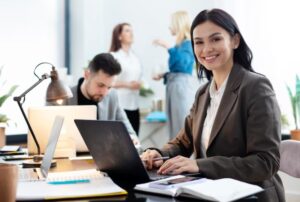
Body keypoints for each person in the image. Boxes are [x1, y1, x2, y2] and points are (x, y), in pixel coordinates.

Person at [141, 9, 284, 201]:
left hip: (251, 194)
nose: (206, 49)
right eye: (198, 42)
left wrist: (200, 165)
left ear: (235, 41)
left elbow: (265, 163)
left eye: (215, 39)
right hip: (210, 193)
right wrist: (158, 154)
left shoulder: (256, 87)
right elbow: (183, 141)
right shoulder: (203, 92)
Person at [66, 53, 139, 143]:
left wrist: (131, 139)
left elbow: (131, 133)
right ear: (86, 75)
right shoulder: (63, 97)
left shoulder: (112, 96)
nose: (105, 93)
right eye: (100, 85)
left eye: (109, 87)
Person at [152, 11, 196, 139]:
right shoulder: (180, 44)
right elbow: (179, 69)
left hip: (180, 87)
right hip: (174, 86)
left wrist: (167, 46)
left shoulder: (188, 43)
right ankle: (176, 156)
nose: (169, 27)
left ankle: (182, 157)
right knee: (174, 125)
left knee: (180, 125)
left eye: (171, 24)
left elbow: (183, 65)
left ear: (178, 24)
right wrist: (164, 75)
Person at [109, 23, 142, 135]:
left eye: (132, 30)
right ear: (119, 36)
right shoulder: (114, 56)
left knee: (135, 141)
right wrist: (128, 85)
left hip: (134, 105)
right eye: (127, 31)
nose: (131, 33)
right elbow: (109, 82)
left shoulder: (135, 57)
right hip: (121, 105)